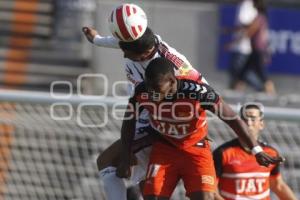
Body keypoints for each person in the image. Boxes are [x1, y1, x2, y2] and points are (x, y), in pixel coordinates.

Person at [118, 57, 283, 200]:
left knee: (205, 197)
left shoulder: (198, 92)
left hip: (195, 150)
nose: (152, 93)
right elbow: (129, 120)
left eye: (157, 88)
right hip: (164, 149)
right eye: (149, 88)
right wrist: (125, 156)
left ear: (172, 81)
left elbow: (232, 118)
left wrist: (256, 149)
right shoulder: (142, 92)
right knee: (152, 197)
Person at [82, 26, 204, 200]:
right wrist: (96, 39)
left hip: (163, 127)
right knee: (145, 187)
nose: (124, 55)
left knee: (107, 161)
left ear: (144, 54)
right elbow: (119, 43)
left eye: (127, 52)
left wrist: (174, 119)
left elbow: (203, 90)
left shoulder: (173, 64)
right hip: (147, 119)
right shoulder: (140, 45)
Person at [213, 103, 297, 200]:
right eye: (244, 119)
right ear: (238, 124)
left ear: (261, 124)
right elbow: (212, 190)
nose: (248, 122)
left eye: (252, 119)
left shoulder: (271, 153)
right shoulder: (223, 153)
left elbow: (278, 186)